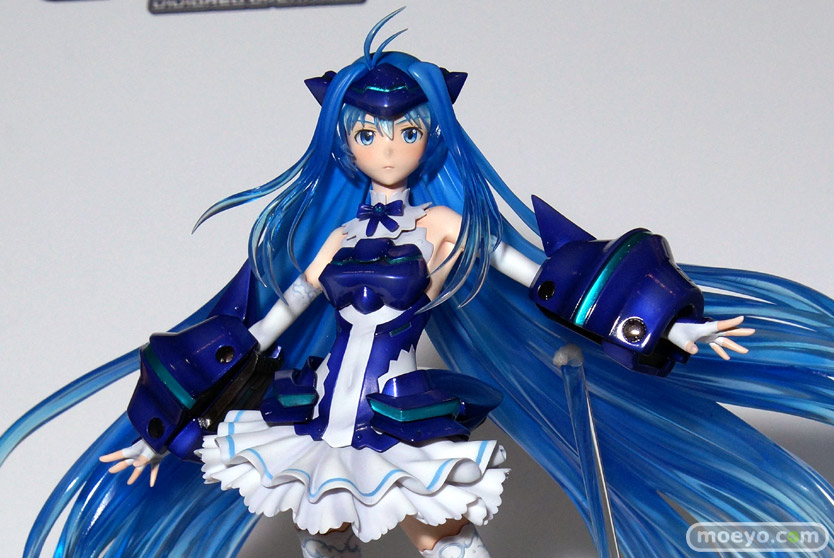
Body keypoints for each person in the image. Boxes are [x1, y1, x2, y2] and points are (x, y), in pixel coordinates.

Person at [2, 10, 833, 558]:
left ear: (431, 133)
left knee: (445, 537)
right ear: (343, 141)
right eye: (368, 132)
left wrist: (666, 325)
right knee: (326, 538)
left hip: (399, 408)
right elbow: (264, 326)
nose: (387, 144)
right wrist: (163, 424)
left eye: (404, 129)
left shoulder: (443, 226)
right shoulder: (335, 235)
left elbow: (551, 283)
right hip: (322, 411)